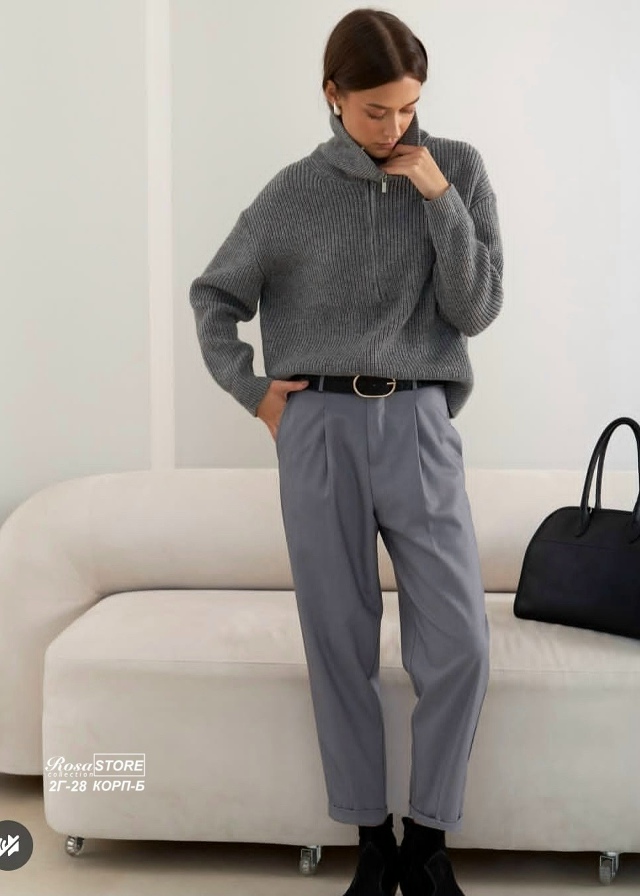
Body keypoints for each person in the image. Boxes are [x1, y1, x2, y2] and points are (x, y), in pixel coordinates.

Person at [189, 8, 504, 895]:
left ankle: (427, 843)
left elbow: (477, 309)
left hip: (419, 423)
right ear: (332, 95)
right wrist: (254, 392)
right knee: (338, 639)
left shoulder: (458, 169)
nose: (395, 126)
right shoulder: (293, 192)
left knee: (461, 643)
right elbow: (214, 295)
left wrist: (438, 197)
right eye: (375, 110)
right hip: (318, 426)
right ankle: (372, 841)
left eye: (408, 107)